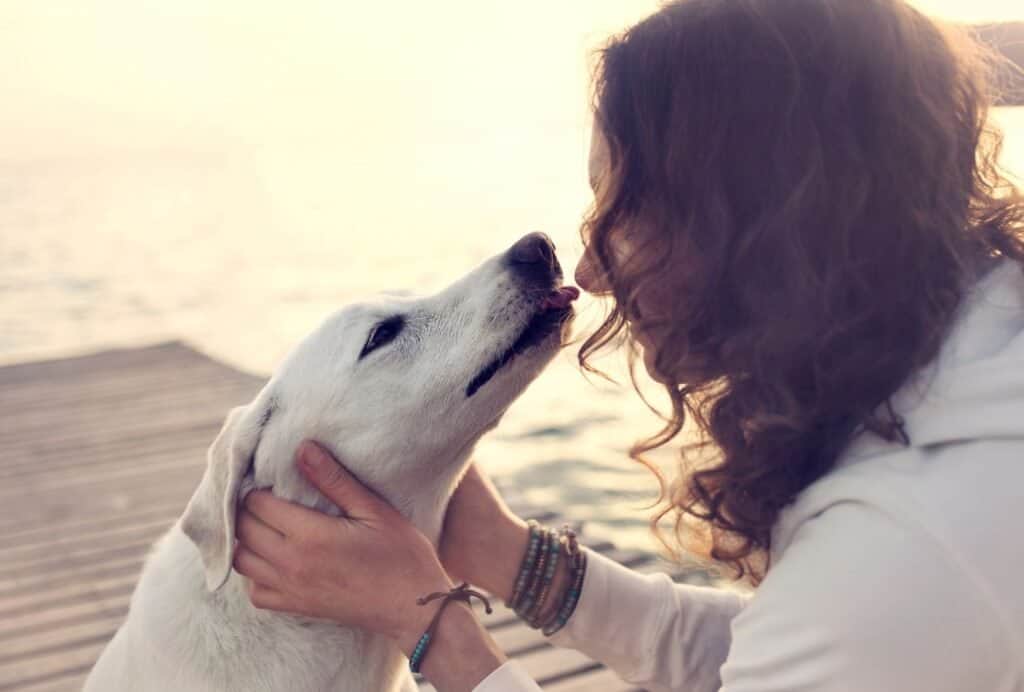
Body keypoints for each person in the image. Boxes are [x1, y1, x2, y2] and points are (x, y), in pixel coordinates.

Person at [232, 0, 1024, 690]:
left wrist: (430, 627)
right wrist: (505, 553)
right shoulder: (969, 373)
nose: (588, 271)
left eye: (623, 207)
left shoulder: (911, 537)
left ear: (753, 220)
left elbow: (846, 626)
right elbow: (774, 650)